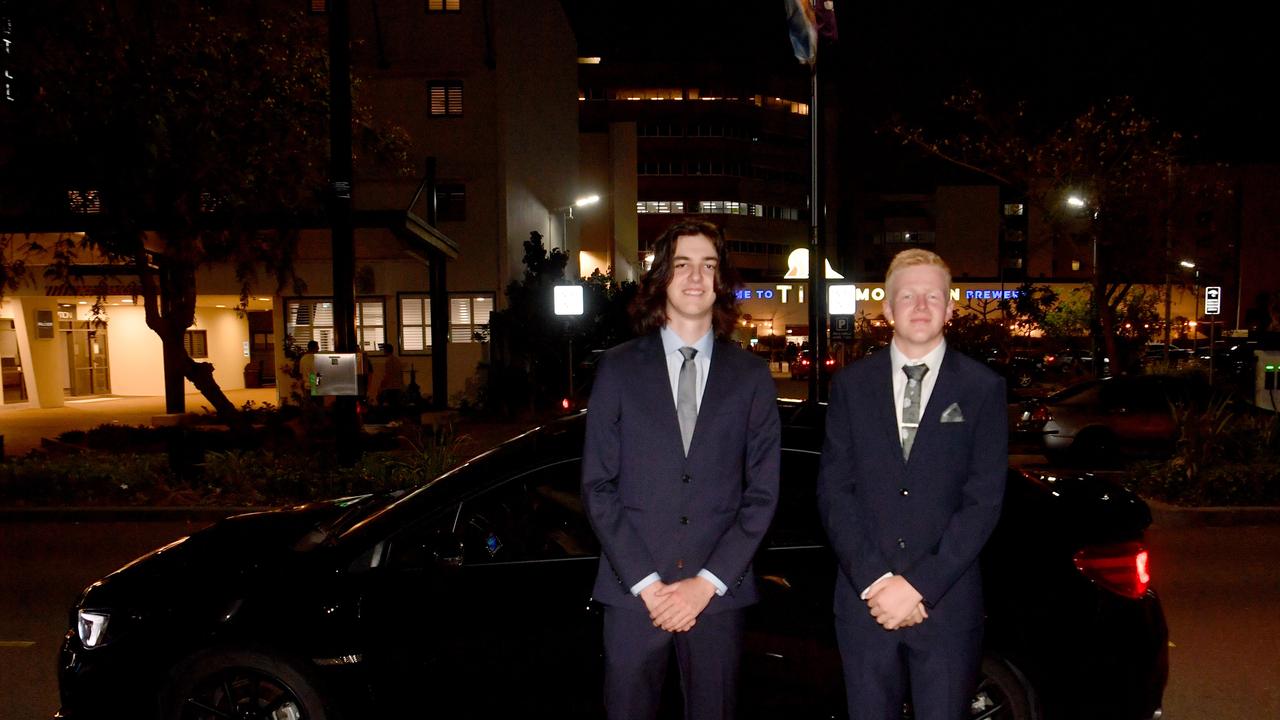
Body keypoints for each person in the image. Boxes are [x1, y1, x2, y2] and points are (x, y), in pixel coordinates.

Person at [581, 221, 780, 720]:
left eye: (709, 265)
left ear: (721, 280)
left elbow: (762, 494)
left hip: (717, 596)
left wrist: (705, 583)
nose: (696, 276)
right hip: (633, 595)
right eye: (683, 264)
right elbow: (598, 486)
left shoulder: (752, 376)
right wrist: (649, 584)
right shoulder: (619, 368)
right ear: (662, 278)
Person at [816, 248, 1007, 720]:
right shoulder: (850, 387)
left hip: (947, 606)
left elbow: (983, 501)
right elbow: (835, 491)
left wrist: (919, 585)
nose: (920, 307)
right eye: (907, 296)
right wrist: (879, 582)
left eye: (932, 296)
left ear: (950, 306)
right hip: (866, 606)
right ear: (886, 307)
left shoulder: (983, 388)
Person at [377, 342, 404, 407]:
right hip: (398, 387)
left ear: (386, 351)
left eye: (384, 350)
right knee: (396, 406)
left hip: (391, 388)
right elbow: (401, 374)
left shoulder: (388, 361)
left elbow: (387, 375)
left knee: (385, 403)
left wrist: (381, 386)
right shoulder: (397, 360)